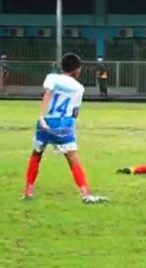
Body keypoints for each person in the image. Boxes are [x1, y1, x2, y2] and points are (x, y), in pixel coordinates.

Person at [22, 53, 108, 204]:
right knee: (73, 160)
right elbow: (75, 112)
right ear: (77, 70)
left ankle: (29, 190)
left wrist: (42, 116)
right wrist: (69, 128)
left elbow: (47, 94)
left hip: (45, 121)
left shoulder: (52, 78)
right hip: (63, 124)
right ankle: (85, 193)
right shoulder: (79, 88)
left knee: (36, 154)